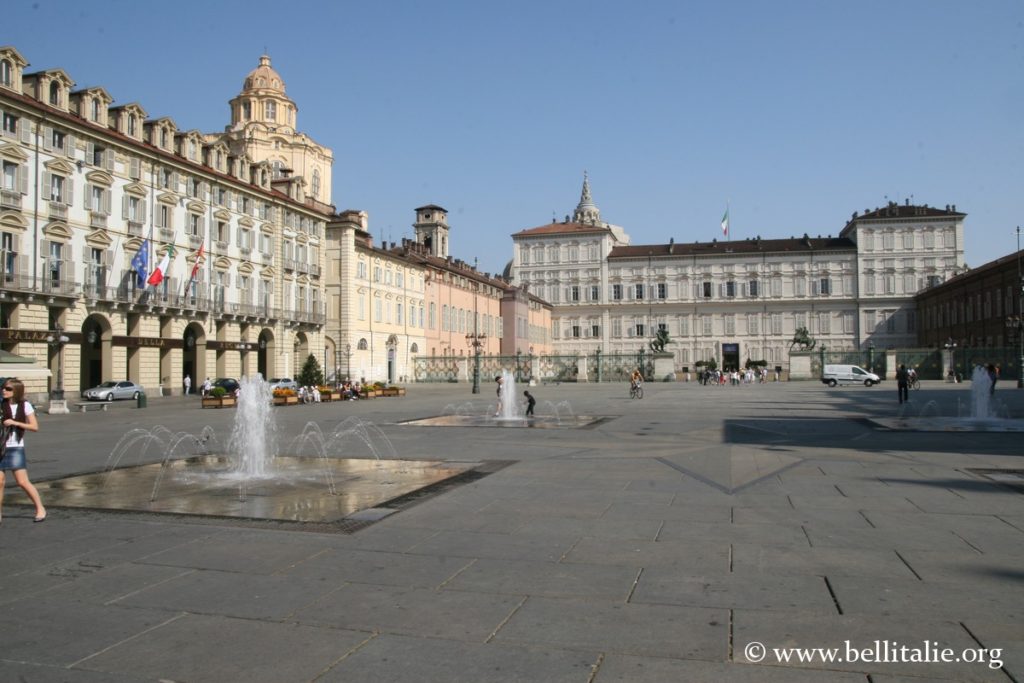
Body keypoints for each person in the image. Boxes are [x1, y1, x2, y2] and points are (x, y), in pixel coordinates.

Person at [0, 378, 46, 523]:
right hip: (1, 446)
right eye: (3, 388)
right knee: (0, 481)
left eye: (8, 389)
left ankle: (40, 508)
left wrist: (15, 422)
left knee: (22, 482)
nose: (4, 391)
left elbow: (34, 427)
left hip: (15, 447)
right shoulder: (1, 405)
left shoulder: (24, 405)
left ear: (16, 391)